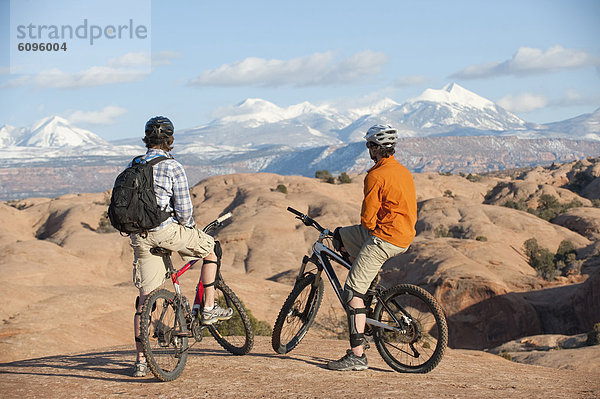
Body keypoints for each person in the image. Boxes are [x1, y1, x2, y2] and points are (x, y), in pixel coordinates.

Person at [128, 116, 233, 377]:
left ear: (147, 139)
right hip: (166, 232)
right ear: (170, 140)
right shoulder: (172, 167)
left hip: (139, 236)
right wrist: (190, 230)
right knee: (210, 250)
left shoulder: (135, 164)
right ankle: (208, 309)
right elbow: (185, 211)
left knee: (144, 302)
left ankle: (141, 361)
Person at [327, 124, 417, 371]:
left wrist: (370, 227)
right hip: (403, 234)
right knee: (341, 236)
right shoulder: (402, 171)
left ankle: (357, 355)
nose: (368, 149)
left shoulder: (375, 175)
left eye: (369, 145)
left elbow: (367, 220)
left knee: (352, 293)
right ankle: (368, 282)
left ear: (376, 148)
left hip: (383, 238)